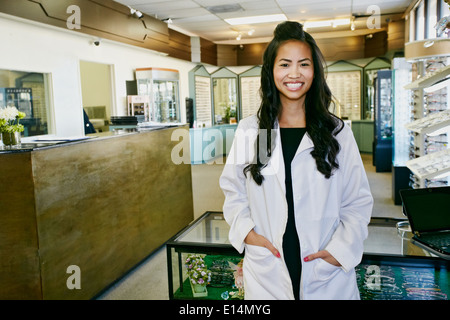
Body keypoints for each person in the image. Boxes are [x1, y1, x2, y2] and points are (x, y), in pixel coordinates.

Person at [219, 21, 373, 300]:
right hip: (269, 263)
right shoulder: (252, 130)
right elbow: (234, 191)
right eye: (284, 64)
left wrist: (339, 252)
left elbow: (357, 201)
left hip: (324, 266)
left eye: (304, 64)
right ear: (271, 71)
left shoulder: (337, 132)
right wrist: (249, 235)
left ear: (314, 71)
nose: (294, 73)